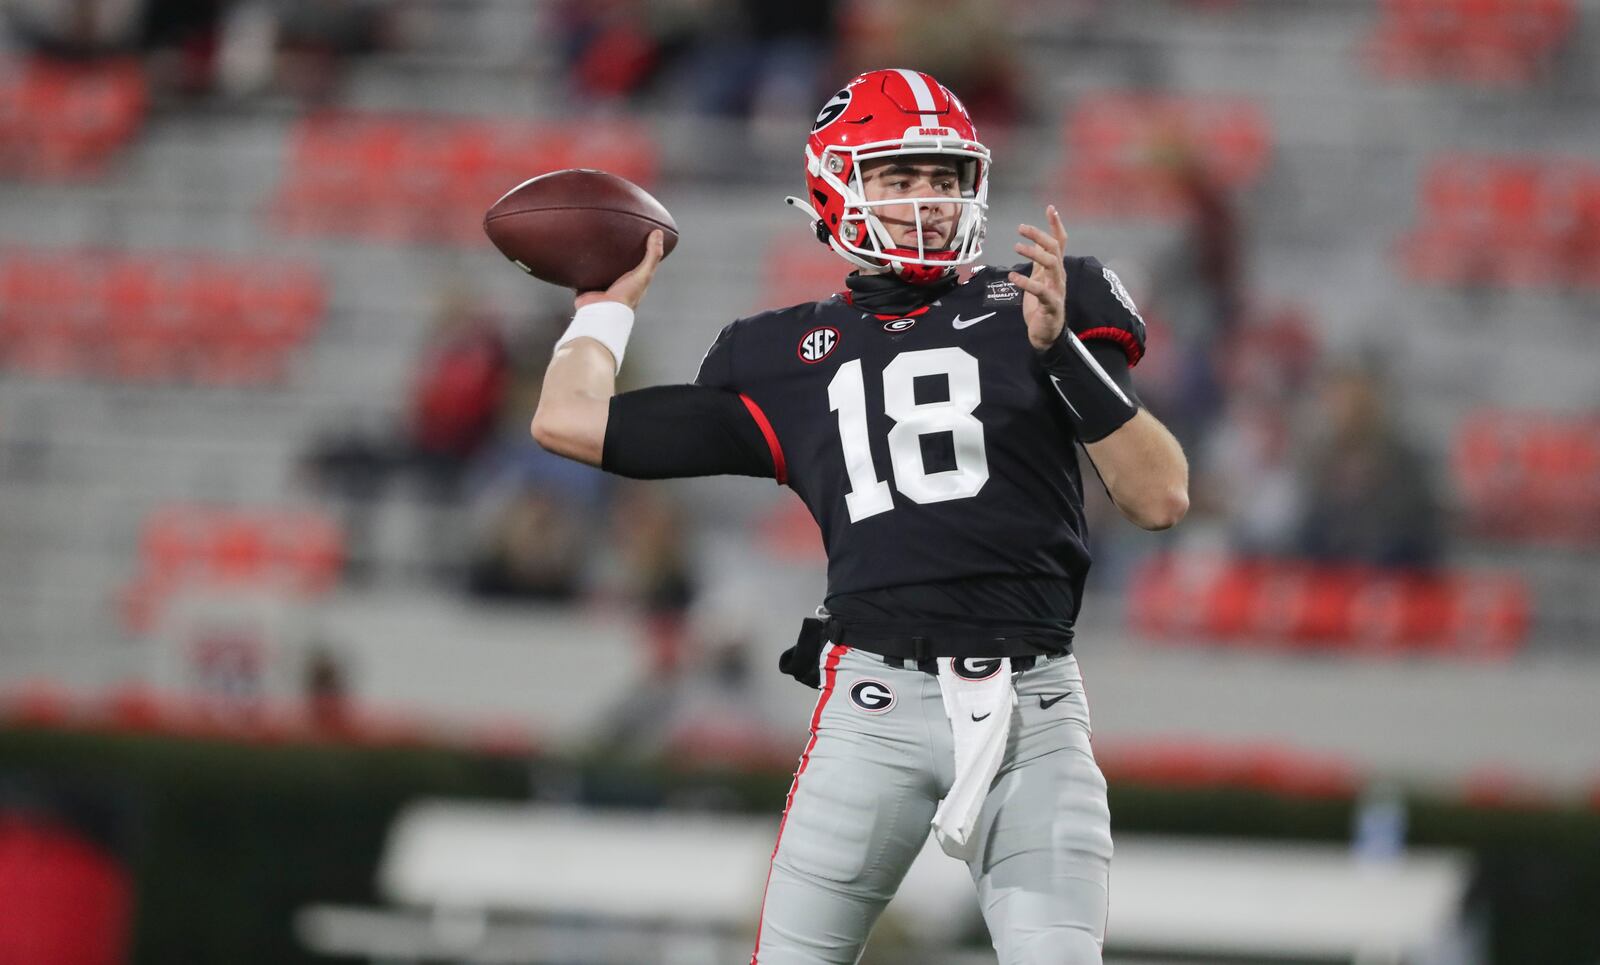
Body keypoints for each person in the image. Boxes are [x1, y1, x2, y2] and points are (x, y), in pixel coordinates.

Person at [531, 68, 1188, 965]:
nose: (929, 199)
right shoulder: (779, 352)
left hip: (1033, 709)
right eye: (900, 177)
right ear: (837, 186)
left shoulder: (1045, 301)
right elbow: (568, 421)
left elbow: (1161, 496)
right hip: (872, 705)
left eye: (945, 177)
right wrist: (604, 309)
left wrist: (1062, 351)